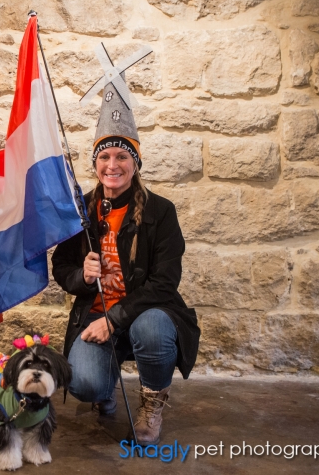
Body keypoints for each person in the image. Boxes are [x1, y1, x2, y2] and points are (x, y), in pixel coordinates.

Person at [51, 75, 200, 446]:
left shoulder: (160, 212)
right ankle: (104, 385)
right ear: (95, 163)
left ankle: (152, 404)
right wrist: (82, 277)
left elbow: (164, 283)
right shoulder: (81, 210)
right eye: (104, 156)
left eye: (121, 156)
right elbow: (62, 268)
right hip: (95, 315)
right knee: (83, 383)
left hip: (146, 315)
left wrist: (114, 320)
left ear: (135, 163)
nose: (112, 164)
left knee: (152, 329)